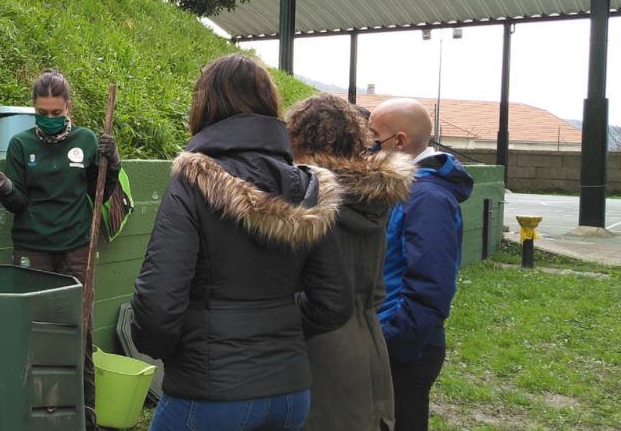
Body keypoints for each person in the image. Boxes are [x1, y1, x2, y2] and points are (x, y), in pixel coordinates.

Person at [130, 54, 353, 431]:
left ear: (205, 105)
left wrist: (185, 349)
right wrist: (275, 324)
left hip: (210, 394)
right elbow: (335, 302)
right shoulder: (310, 188)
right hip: (289, 394)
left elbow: (157, 306)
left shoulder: (192, 179)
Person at [0, 69, 120, 430]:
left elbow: (101, 189)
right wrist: (6, 187)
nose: (50, 119)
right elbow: (18, 204)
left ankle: (85, 416)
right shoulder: (22, 145)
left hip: (75, 248)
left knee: (79, 329)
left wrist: (113, 162)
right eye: (43, 113)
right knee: (32, 330)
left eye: (57, 113)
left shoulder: (88, 140)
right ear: (34, 109)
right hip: (32, 248)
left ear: (68, 107)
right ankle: (30, 414)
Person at [287, 94, 416, 431]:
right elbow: (377, 290)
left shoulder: (307, 196)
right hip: (369, 343)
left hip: (318, 350)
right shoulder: (375, 197)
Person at [369, 98, 474, 431]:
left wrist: (389, 342)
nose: (368, 148)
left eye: (374, 137)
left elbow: (430, 287)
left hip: (405, 350)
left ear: (399, 142)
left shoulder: (427, 198)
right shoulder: (411, 189)